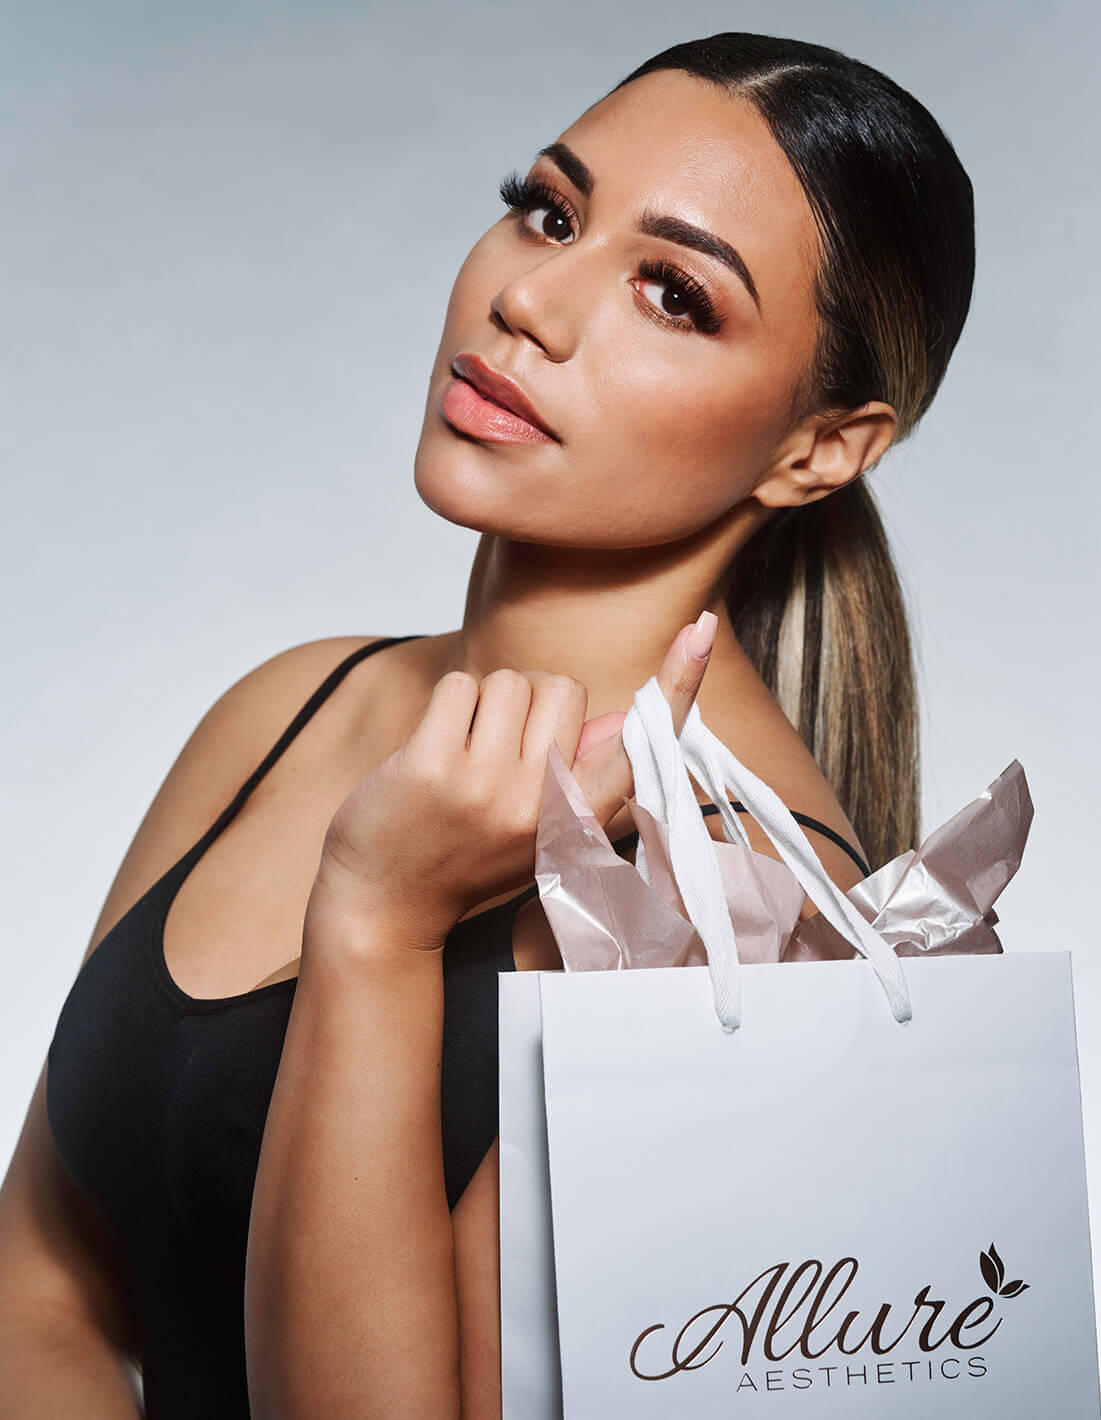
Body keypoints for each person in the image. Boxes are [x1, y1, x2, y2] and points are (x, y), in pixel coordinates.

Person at [0, 29, 974, 1419]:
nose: (533, 302)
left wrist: (381, 924)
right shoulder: (292, 706)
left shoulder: (741, 921)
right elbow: (40, 1289)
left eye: (671, 292)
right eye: (547, 211)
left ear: (817, 449)